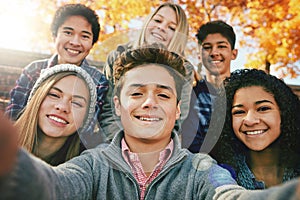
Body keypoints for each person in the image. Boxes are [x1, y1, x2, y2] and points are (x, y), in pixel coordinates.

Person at [1, 47, 300, 200]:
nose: (149, 102)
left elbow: (229, 195)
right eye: (137, 92)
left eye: (162, 94)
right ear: (118, 106)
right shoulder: (92, 164)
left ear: (177, 110)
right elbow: (56, 185)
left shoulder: (201, 170)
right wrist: (12, 164)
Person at [5, 4, 108, 140]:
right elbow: (14, 115)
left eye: (84, 36)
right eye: (68, 33)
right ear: (55, 36)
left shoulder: (98, 81)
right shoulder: (34, 71)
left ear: (92, 44)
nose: (75, 42)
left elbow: (87, 130)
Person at [100, 2, 194, 141]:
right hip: (115, 142)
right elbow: (108, 111)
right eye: (157, 20)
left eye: (171, 28)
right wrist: (124, 145)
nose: (161, 28)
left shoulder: (185, 70)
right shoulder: (117, 57)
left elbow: (175, 120)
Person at [210, 68, 300, 189]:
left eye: (263, 109)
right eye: (239, 112)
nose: (250, 120)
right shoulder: (217, 177)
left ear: (284, 112)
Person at [14, 64, 97, 165]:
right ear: (37, 99)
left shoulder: (87, 167)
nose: (62, 107)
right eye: (54, 95)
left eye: (76, 103)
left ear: (85, 118)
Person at [181, 20, 238, 153]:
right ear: (199, 56)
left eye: (221, 46)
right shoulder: (192, 95)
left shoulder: (243, 93)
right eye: (207, 47)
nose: (214, 52)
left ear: (233, 54)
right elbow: (190, 142)